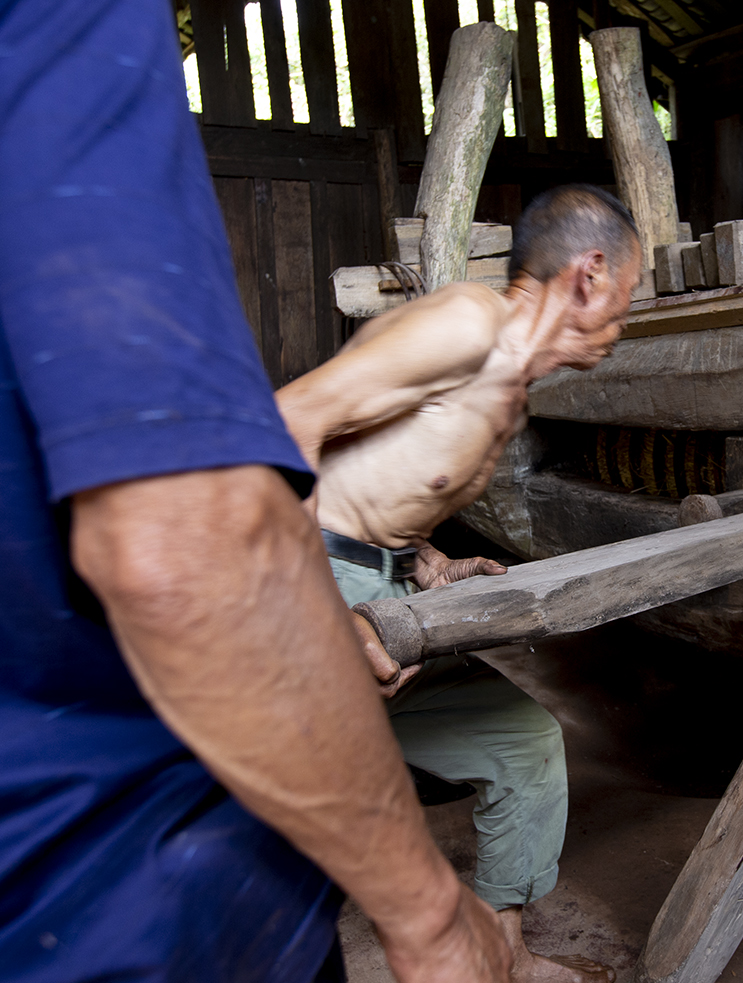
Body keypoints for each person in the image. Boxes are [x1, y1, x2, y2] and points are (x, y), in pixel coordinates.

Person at [0, 0, 514, 979]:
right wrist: (434, 917)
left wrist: (418, 562)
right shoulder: (63, 23)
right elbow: (191, 545)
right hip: (124, 905)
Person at [274, 184, 640, 983]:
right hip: (307, 578)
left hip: (381, 584)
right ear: (590, 272)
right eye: (627, 295)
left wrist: (428, 562)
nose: (625, 320)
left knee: (524, 742)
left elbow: (383, 492)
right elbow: (286, 426)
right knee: (292, 818)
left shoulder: (507, 388)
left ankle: (505, 955)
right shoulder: (465, 325)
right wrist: (321, 617)